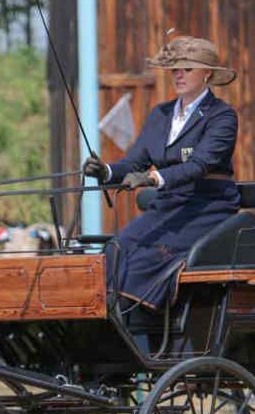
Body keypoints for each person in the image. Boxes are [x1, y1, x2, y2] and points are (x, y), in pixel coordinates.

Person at [83, 36, 240, 312]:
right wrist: (105, 171)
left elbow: (199, 165)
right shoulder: (161, 114)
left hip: (207, 207)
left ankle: (141, 333)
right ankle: (111, 325)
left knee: (149, 258)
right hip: (168, 205)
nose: (179, 75)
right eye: (175, 70)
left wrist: (153, 178)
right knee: (114, 250)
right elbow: (134, 162)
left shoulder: (221, 116)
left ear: (207, 74)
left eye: (187, 69)